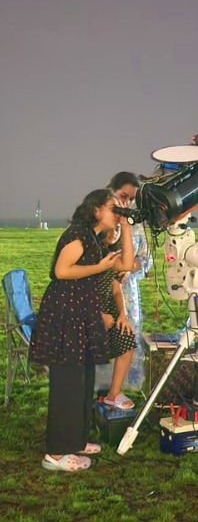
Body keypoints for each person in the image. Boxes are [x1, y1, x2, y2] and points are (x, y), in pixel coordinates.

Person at [30, 189, 133, 471]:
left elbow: (125, 264)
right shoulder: (78, 235)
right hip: (65, 317)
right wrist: (98, 267)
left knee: (83, 380)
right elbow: (61, 271)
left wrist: (125, 226)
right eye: (114, 208)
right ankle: (55, 453)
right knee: (67, 384)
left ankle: (74, 439)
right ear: (96, 209)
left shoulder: (96, 240)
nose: (118, 212)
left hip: (80, 317)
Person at [107, 172, 153, 392]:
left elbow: (146, 259)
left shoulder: (136, 224)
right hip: (98, 288)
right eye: (122, 196)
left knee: (128, 333)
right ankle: (100, 387)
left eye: (131, 199)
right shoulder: (100, 215)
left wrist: (130, 266)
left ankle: (124, 388)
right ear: (111, 190)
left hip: (126, 289)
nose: (126, 203)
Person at [97, 226, 136, 409]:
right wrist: (98, 315)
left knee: (126, 335)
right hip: (85, 311)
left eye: (119, 229)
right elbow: (78, 289)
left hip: (109, 311)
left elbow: (116, 289)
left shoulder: (110, 254)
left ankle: (113, 393)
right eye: (112, 229)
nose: (115, 233)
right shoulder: (91, 253)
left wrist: (122, 314)